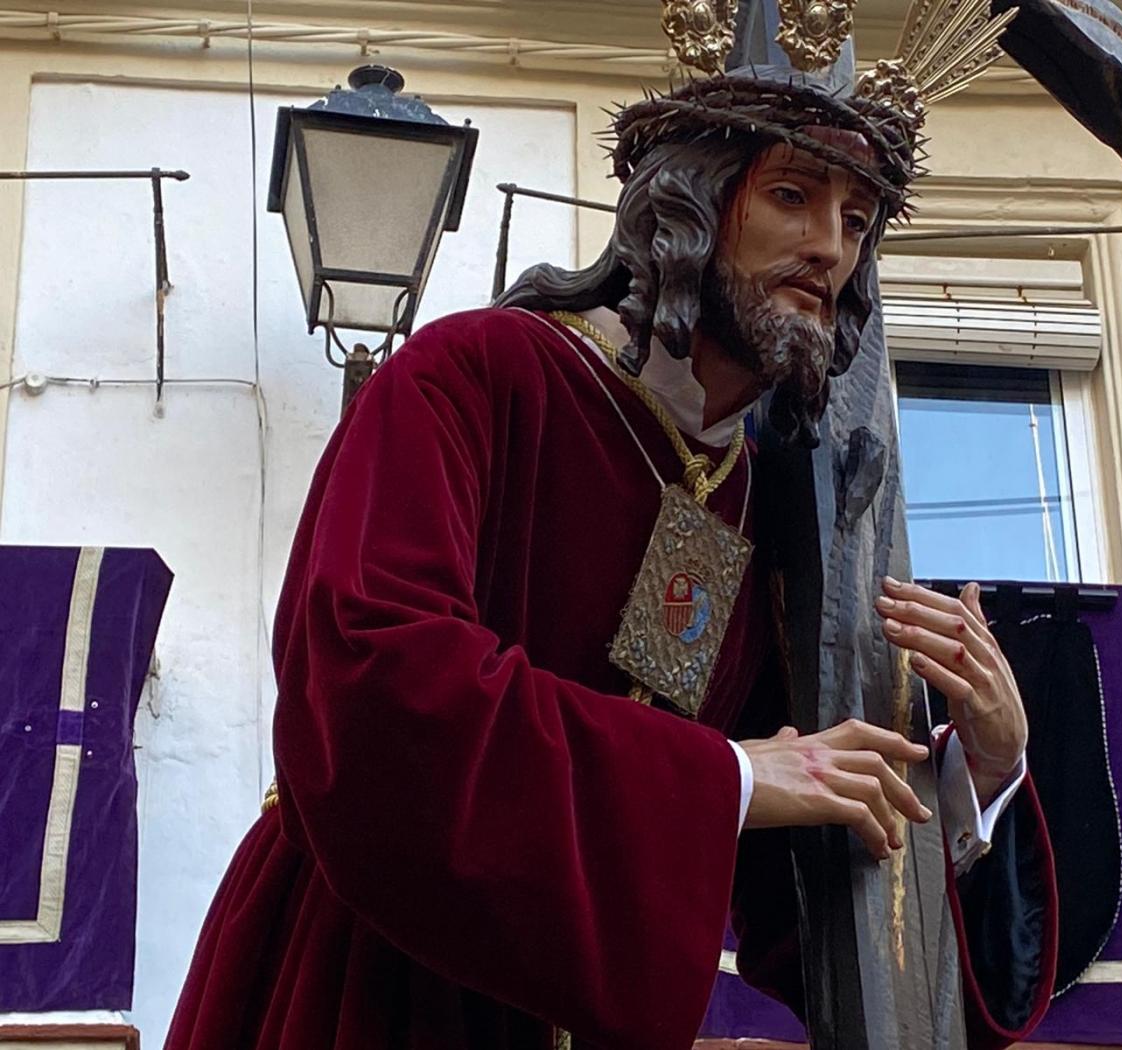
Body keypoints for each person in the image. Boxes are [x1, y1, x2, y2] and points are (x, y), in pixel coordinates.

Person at [167, 69, 1055, 1050]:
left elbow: (812, 896)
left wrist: (982, 767)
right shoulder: (472, 376)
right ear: (689, 201)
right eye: (792, 196)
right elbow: (375, 680)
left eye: (856, 221)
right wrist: (725, 779)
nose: (828, 249)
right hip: (367, 971)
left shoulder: (754, 504)